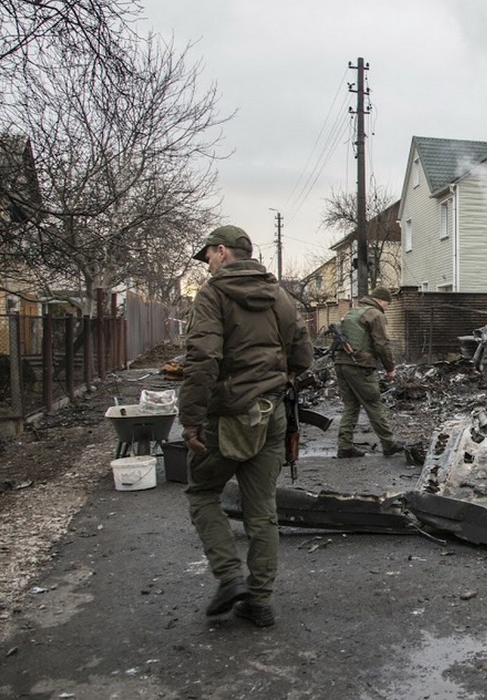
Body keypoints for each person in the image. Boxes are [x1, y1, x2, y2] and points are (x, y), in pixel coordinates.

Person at [179, 225, 312, 628]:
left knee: (203, 493)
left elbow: (203, 358)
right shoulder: (280, 296)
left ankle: (229, 577)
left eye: (207, 257)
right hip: (270, 414)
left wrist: (190, 419)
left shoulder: (214, 294)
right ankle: (259, 601)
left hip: (227, 416)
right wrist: (279, 375)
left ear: (223, 251)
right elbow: (303, 354)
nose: (206, 265)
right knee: (262, 510)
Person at [334, 286, 403, 458]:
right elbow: (382, 344)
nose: (387, 307)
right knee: (373, 404)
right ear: (381, 300)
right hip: (360, 365)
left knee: (351, 405)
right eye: (387, 304)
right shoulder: (375, 314)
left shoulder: (353, 311)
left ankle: (344, 446)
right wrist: (390, 368)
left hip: (341, 363)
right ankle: (388, 443)